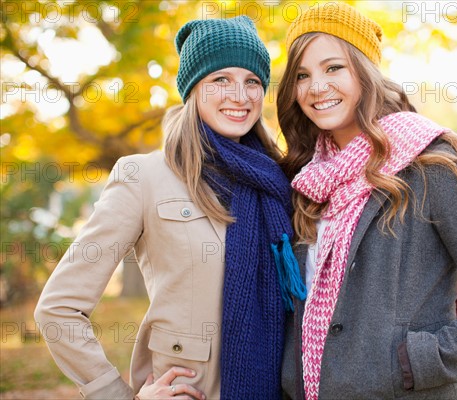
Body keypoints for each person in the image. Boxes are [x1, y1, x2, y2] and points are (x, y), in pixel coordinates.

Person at [34, 16, 305, 400]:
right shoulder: (143, 176)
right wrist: (119, 395)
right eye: (220, 80)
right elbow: (58, 310)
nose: (240, 96)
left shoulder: (283, 179)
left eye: (252, 82)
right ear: (192, 88)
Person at [276, 3, 457, 399]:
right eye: (301, 75)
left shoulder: (434, 166)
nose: (316, 87)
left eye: (333, 68)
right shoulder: (306, 181)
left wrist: (415, 363)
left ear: (365, 72)